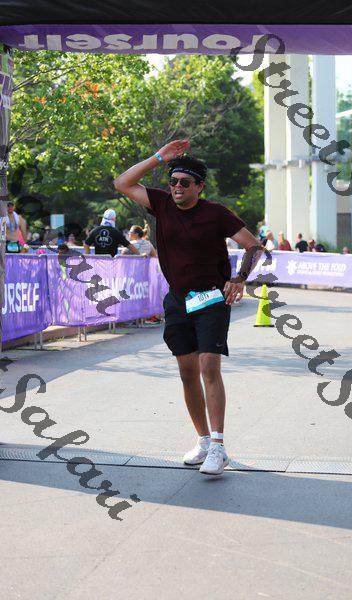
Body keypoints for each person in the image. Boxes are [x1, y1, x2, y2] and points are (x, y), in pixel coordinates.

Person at [114, 139, 264, 476]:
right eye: (173, 181)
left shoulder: (216, 213)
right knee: (186, 372)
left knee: (209, 365)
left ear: (199, 187)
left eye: (184, 182)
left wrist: (240, 278)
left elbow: (253, 246)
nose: (177, 187)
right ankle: (204, 441)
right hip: (178, 299)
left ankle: (220, 446)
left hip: (211, 298)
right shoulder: (162, 204)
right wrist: (158, 158)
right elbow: (122, 183)